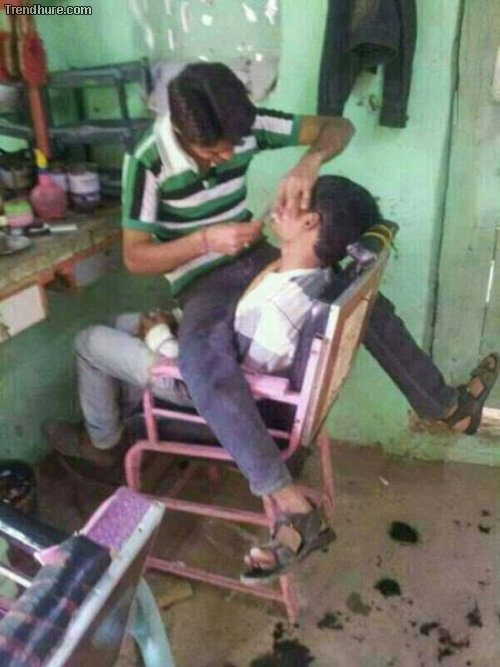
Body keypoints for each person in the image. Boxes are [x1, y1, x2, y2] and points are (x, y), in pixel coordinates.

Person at [47, 63, 497, 576]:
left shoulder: (244, 125)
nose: (227, 157)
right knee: (203, 360)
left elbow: (339, 127)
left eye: (232, 148)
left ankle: (443, 405)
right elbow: (135, 257)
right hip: (203, 279)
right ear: (182, 132)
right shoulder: (146, 161)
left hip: (260, 255)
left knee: (354, 298)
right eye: (214, 152)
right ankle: (285, 495)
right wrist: (205, 240)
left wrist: (310, 161)